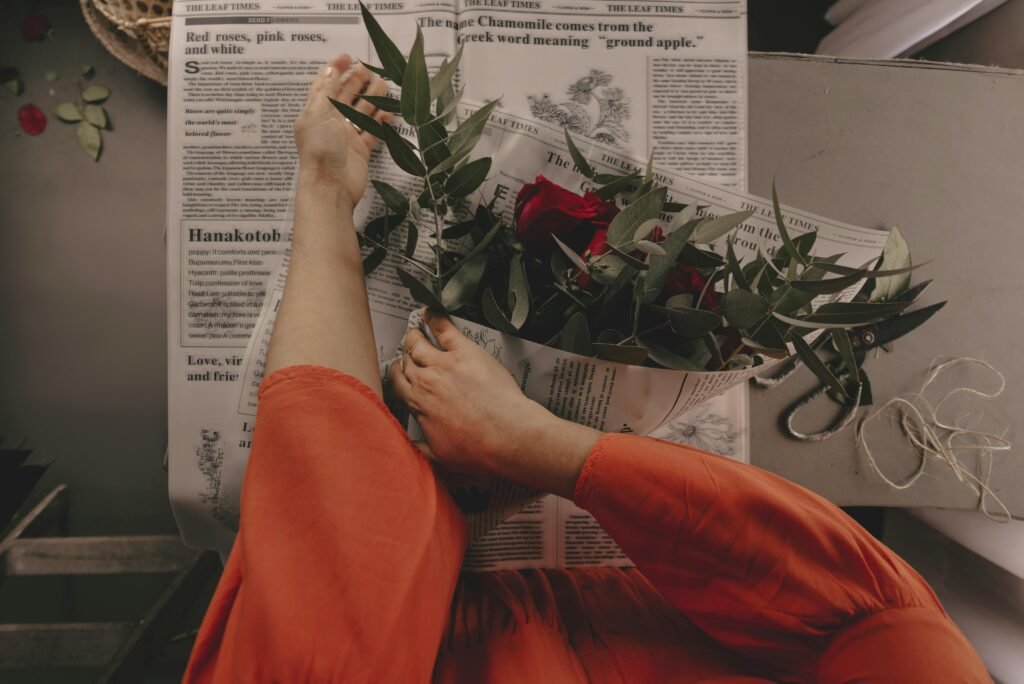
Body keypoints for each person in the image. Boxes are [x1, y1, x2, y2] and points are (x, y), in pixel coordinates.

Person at [182, 54, 990, 683]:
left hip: (405, 627)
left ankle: (325, 190)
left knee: (311, 650)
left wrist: (328, 194)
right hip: (611, 616)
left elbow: (332, 563)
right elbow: (875, 618)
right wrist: (541, 448)